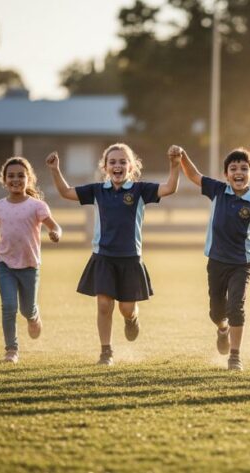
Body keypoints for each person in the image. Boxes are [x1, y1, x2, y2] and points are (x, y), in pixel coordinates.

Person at [46, 144, 181, 366]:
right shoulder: (98, 190)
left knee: (126, 309)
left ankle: (132, 319)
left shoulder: (140, 190)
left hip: (130, 258)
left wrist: (174, 166)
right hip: (103, 257)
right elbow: (66, 192)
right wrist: (55, 169)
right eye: (112, 162)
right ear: (105, 167)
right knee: (103, 305)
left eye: (122, 161)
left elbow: (169, 188)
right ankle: (106, 352)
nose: (117, 165)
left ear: (131, 166)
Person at [179, 147, 250, 371]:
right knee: (217, 312)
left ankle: (235, 356)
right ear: (226, 174)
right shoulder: (218, 190)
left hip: (241, 263)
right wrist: (182, 155)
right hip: (216, 261)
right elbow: (193, 175)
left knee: (236, 307)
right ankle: (222, 329)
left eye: (244, 168)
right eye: (233, 168)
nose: (239, 172)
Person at [0, 157, 62, 363]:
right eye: (11, 176)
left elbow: (55, 226)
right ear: (4, 179)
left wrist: (56, 234)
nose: (15, 179)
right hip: (5, 264)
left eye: (20, 176)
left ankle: (34, 317)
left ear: (29, 179)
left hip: (29, 266)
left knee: (26, 309)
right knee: (8, 306)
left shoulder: (37, 206)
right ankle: (11, 350)